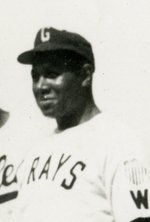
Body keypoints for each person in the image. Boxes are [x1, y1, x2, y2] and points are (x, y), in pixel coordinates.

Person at [11, 27, 150, 222]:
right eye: (35, 76)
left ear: (85, 75)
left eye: (52, 73)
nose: (41, 86)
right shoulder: (34, 153)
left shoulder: (117, 141)